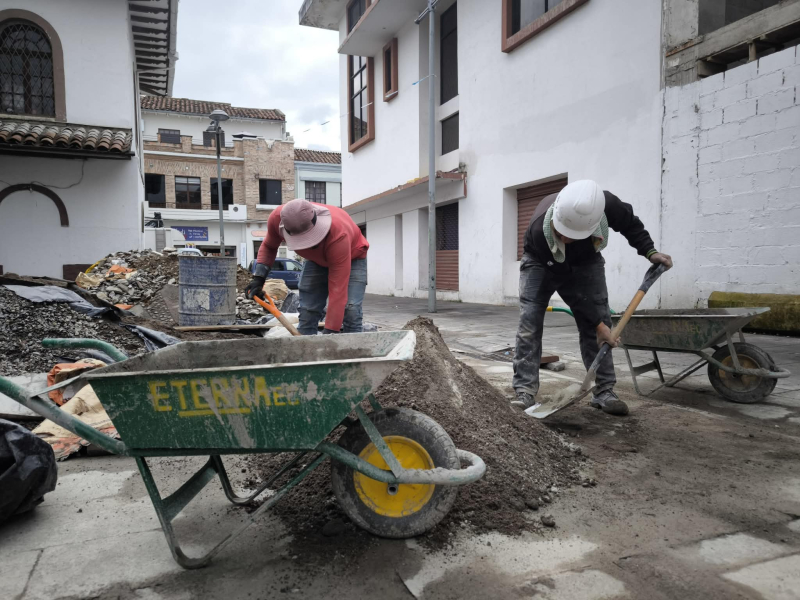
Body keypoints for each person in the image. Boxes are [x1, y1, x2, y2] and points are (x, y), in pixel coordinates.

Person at [513, 180, 672, 416]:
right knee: (530, 322)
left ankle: (604, 391)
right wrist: (598, 325)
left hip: (587, 258)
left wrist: (650, 251)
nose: (563, 237)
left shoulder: (605, 205)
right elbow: (570, 291)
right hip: (540, 260)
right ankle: (524, 391)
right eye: (560, 231)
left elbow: (630, 224)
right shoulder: (540, 231)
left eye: (570, 235)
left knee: (600, 317)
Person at [246, 199, 369, 335]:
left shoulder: (338, 233)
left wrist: (330, 335)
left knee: (350, 309)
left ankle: (354, 346)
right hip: (316, 260)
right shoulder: (277, 218)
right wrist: (259, 278)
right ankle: (305, 344)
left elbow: (338, 291)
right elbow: (269, 246)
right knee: (308, 308)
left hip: (352, 257)